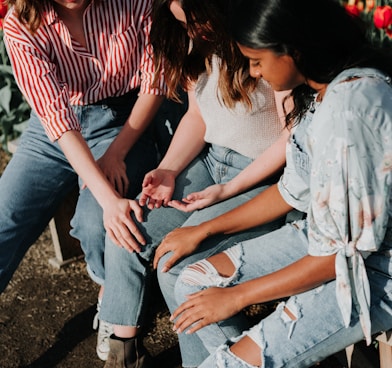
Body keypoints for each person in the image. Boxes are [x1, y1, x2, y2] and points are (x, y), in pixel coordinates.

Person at [163, 0, 392, 366]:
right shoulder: (318, 93)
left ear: (295, 48)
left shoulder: (351, 110)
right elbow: (290, 191)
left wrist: (239, 297)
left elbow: (339, 257)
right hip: (320, 238)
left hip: (372, 273)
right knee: (192, 281)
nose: (253, 73)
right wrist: (204, 229)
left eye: (257, 61)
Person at [98, 0, 292, 366]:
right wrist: (169, 169)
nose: (192, 32)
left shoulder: (258, 41)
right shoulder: (192, 40)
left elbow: (290, 139)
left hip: (260, 177)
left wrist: (229, 190)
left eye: (196, 21)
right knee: (126, 232)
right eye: (183, 24)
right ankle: (124, 355)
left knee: (178, 264)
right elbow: (198, 115)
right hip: (210, 162)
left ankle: (225, 359)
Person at [0, 0, 166, 362]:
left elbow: (157, 77)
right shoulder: (19, 22)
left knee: (97, 224)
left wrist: (118, 153)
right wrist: (108, 196)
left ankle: (113, 294)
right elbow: (56, 119)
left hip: (122, 121)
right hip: (52, 132)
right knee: (4, 218)